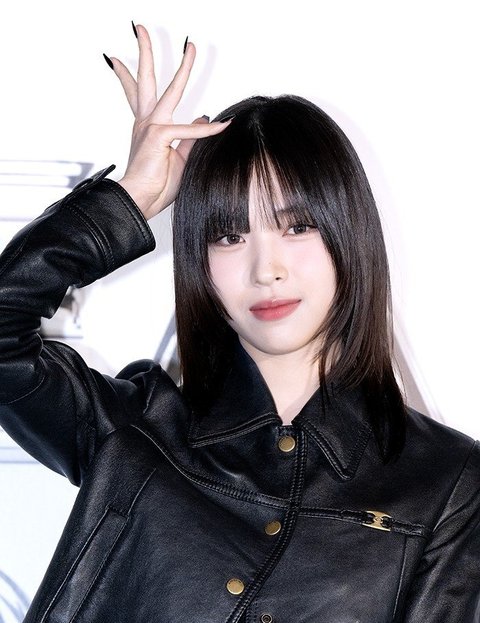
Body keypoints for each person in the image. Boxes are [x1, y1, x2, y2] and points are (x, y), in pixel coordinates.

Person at [1, 23, 479, 623]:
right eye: (229, 236)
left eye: (296, 226)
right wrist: (130, 198)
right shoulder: (135, 429)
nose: (266, 269)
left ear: (347, 234)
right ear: (199, 261)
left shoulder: (447, 483)